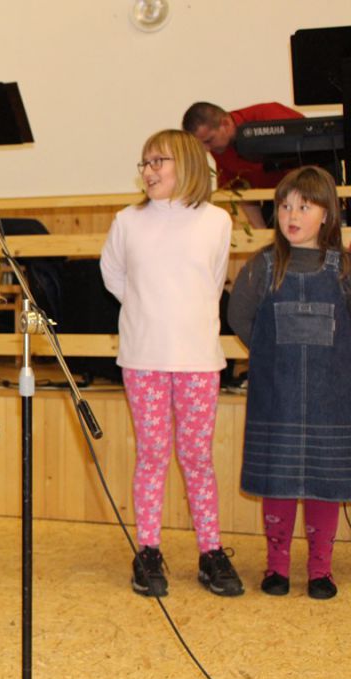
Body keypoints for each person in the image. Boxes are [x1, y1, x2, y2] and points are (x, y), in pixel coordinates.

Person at [100, 129, 244, 598]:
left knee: (198, 457)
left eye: (158, 161)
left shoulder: (216, 221)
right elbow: (113, 274)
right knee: (152, 455)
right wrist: (146, 307)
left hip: (198, 359)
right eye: (144, 163)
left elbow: (213, 280)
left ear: (186, 163)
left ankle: (210, 551)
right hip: (144, 358)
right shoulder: (128, 221)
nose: (148, 171)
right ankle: (148, 550)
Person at [227, 165, 351, 600]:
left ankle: (320, 569)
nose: (291, 215)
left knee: (324, 484)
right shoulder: (264, 265)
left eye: (304, 207)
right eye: (284, 206)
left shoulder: (344, 269)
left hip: (330, 400)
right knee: (277, 482)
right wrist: (269, 353)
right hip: (276, 397)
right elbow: (239, 317)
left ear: (327, 214)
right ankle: (276, 566)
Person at [181, 101, 302, 230]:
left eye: (209, 140)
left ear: (225, 123)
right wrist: (261, 232)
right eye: (201, 145)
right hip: (273, 204)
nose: (206, 149)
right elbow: (240, 191)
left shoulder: (268, 115)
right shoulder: (219, 149)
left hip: (307, 195)